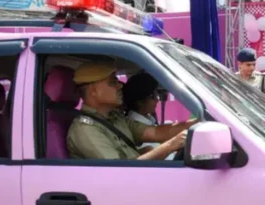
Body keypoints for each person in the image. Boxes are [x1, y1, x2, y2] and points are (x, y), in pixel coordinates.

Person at [66, 61, 197, 161]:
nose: (120, 86)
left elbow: (156, 132)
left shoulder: (115, 118)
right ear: (93, 91)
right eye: (113, 82)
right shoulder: (85, 129)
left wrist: (198, 122)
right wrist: (169, 146)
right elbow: (122, 171)